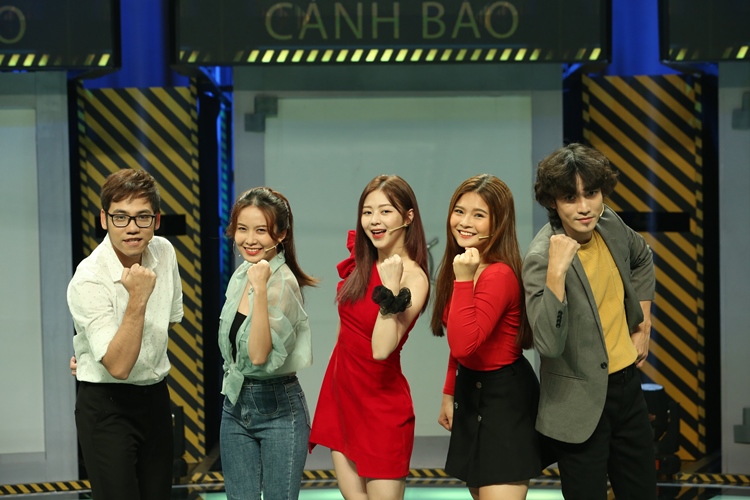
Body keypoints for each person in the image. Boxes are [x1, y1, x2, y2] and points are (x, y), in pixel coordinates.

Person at [522, 143, 657, 500]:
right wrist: (556, 274)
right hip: (577, 402)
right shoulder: (540, 257)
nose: (584, 207)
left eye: (592, 193)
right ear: (553, 201)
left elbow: (643, 258)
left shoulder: (609, 223)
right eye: (570, 197)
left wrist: (642, 325)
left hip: (627, 389)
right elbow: (547, 343)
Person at [309, 175, 430, 500]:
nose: (374, 220)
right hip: (342, 397)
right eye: (367, 212)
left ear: (408, 217)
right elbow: (344, 330)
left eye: (385, 211)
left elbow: (381, 347)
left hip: (381, 406)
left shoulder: (414, 278)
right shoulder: (361, 265)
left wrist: (390, 287)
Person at [67, 168, 183, 500]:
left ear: (156, 220)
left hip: (155, 397)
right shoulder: (89, 278)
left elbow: (169, 320)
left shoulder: (164, 252)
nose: (132, 227)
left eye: (142, 217)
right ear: (104, 219)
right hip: (107, 406)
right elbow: (118, 367)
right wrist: (138, 298)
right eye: (120, 217)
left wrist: (94, 353)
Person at [431, 174, 543, 500]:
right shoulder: (465, 265)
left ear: (498, 223)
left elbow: (464, 342)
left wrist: (464, 280)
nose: (465, 222)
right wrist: (449, 393)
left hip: (504, 397)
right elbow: (457, 341)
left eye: (478, 215)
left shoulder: (497, 274)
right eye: (459, 211)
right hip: (471, 388)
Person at [219, 187, 317, 500]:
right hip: (235, 402)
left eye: (261, 230)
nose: (250, 239)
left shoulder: (282, 282)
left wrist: (260, 290)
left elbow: (259, 354)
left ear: (281, 234)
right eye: (242, 229)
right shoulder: (242, 274)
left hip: (277, 409)